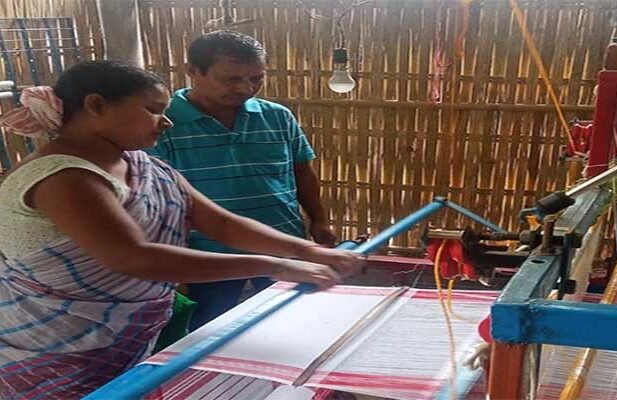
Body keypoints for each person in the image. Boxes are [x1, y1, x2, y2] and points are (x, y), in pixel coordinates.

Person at [0, 60, 364, 399]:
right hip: (55, 344)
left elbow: (220, 222)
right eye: (153, 109)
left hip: (122, 336)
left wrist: (309, 251)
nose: (165, 121)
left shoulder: (142, 165)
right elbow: (134, 257)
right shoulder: (64, 178)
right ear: (96, 105)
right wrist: (276, 265)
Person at [148, 30, 337, 329]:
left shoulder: (277, 117)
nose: (246, 88)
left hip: (283, 243)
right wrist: (176, 268)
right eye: (231, 79)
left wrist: (319, 219)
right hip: (207, 255)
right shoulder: (164, 124)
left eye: (256, 78)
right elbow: (158, 199)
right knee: (207, 334)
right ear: (193, 71)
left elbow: (302, 170)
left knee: (290, 326)